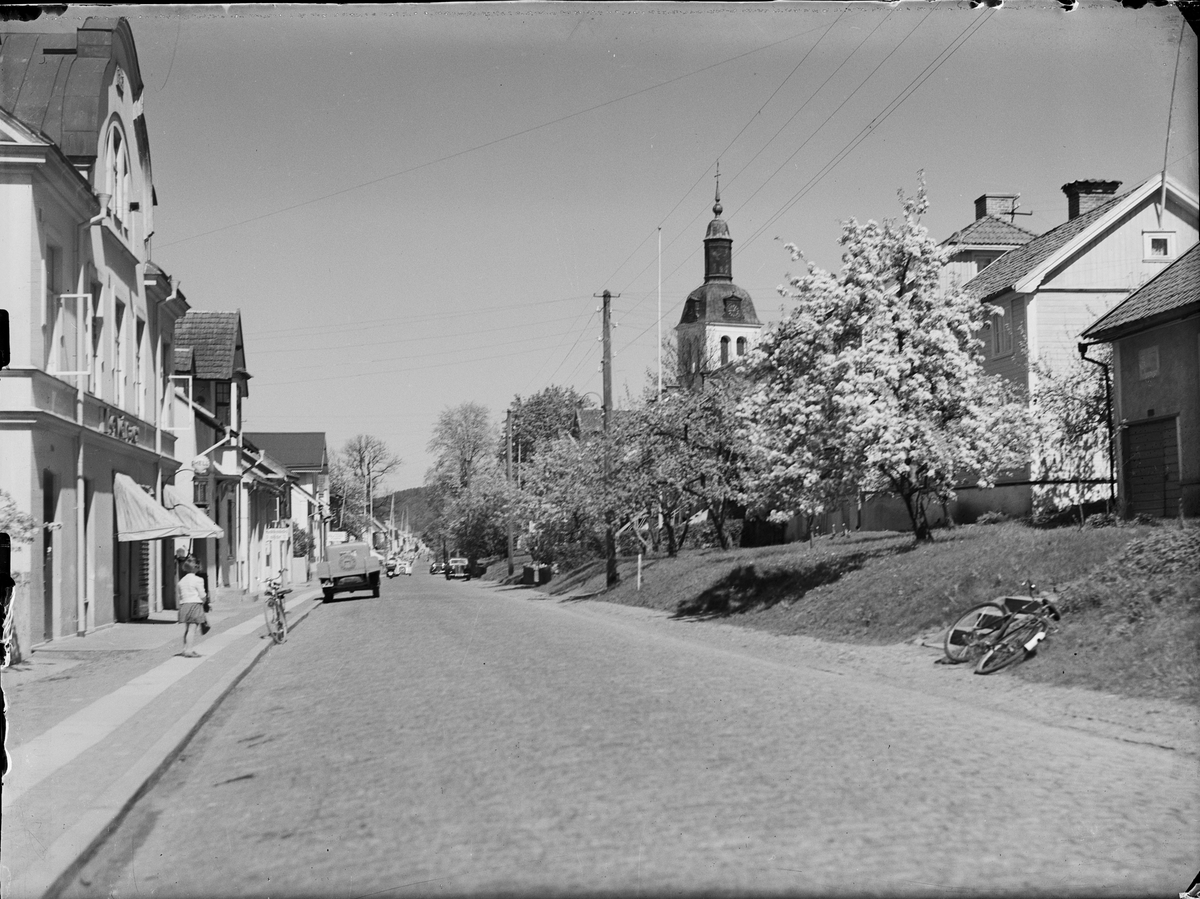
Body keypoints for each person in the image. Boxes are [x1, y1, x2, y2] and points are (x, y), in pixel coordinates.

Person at [177, 556, 209, 658]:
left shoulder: (181, 581)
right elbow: (202, 595)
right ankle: (189, 651)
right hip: (195, 605)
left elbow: (180, 595)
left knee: (187, 629)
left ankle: (185, 649)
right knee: (192, 629)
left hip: (184, 605)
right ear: (196, 567)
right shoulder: (198, 580)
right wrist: (205, 602)